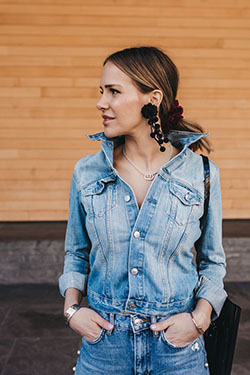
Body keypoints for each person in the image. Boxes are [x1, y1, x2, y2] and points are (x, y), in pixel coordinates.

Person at [58, 46, 227, 375]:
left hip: (177, 348)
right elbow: (76, 253)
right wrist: (72, 311)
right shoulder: (87, 172)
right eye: (101, 91)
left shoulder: (202, 173)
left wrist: (200, 319)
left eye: (114, 92)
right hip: (104, 345)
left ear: (153, 99)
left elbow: (212, 261)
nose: (101, 103)